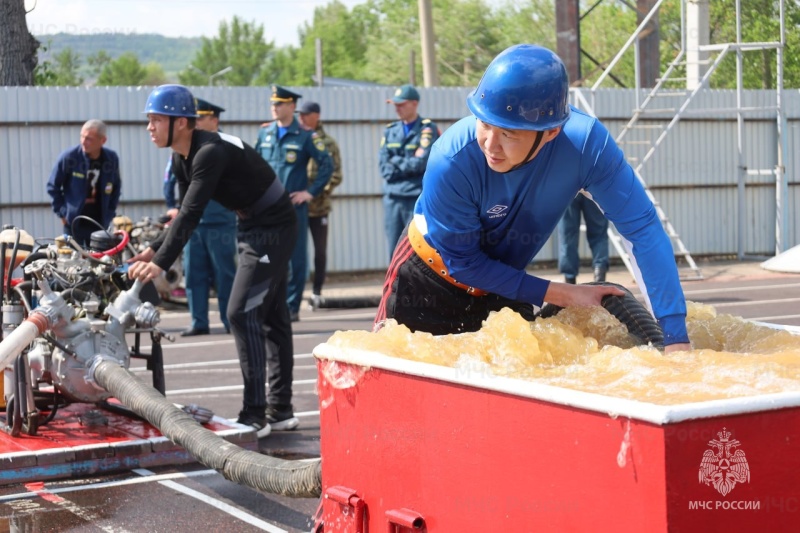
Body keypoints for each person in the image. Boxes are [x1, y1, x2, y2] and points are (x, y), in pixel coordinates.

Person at [374, 44, 692, 353]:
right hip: (428, 280)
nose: (490, 145)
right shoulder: (451, 158)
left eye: (509, 134)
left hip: (504, 281)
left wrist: (675, 336)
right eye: (484, 124)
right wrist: (562, 293)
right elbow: (465, 263)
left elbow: (643, 228)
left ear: (551, 132)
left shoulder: (586, 147)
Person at [129, 84, 300, 437]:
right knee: (271, 315)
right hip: (252, 224)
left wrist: (160, 263)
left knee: (241, 310)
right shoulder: (181, 157)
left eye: (156, 119)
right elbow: (180, 216)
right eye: (149, 120)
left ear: (180, 123)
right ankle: (280, 410)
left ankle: (255, 416)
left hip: (274, 229)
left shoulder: (208, 153)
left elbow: (192, 214)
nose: (149, 127)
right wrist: (153, 248)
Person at [253, 86, 333, 322]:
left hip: (292, 208)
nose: (274, 108)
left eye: (279, 104)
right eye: (273, 104)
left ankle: (291, 306)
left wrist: (309, 193)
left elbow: (326, 166)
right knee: (266, 256)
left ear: (291, 107)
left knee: (295, 258)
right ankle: (269, 302)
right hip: (267, 208)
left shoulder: (306, 135)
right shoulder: (265, 133)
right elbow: (255, 166)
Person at [163, 98, 237, 336]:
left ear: (214, 120)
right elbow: (171, 178)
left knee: (225, 274)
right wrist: (173, 206)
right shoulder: (186, 147)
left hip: (220, 220)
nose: (196, 123)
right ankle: (198, 322)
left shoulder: (229, 144)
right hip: (193, 223)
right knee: (194, 275)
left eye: (201, 118)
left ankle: (230, 321)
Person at [378, 84, 440, 259]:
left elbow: (419, 164)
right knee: (394, 248)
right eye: (395, 105)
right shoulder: (390, 131)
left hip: (415, 198)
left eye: (401, 104)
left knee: (417, 249)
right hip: (392, 199)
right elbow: (384, 168)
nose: (397, 109)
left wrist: (395, 159)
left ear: (414, 103)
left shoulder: (427, 129)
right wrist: (404, 165)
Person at [297, 100, 343, 309]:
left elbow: (336, 174)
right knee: (295, 251)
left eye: (306, 115)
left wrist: (318, 193)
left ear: (317, 115)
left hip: (319, 207)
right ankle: (294, 293)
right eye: (301, 115)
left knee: (320, 251)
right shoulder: (297, 138)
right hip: (297, 207)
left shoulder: (329, 143)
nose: (302, 118)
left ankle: (316, 291)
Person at [47, 119, 121, 247]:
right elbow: (53, 186)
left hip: (100, 224)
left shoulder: (111, 158)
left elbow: (115, 188)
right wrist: (63, 213)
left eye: (89, 139)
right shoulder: (69, 157)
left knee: (100, 263)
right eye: (82, 136)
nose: (83, 141)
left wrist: (110, 213)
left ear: (102, 140)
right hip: (74, 225)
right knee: (74, 264)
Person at [558, 192, 609, 284]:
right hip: (593, 186)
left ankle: (570, 282)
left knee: (568, 236)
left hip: (569, 187)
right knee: (599, 234)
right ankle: (599, 277)